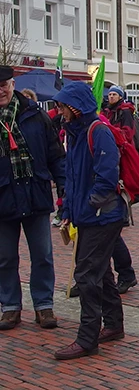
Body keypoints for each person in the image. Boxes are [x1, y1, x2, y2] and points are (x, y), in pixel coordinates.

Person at [52, 82, 128, 360]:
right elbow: (72, 177)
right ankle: (114, 324)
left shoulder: (98, 130)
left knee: (86, 274)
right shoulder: (73, 133)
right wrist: (68, 210)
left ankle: (87, 338)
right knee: (100, 271)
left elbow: (106, 176)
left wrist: (89, 205)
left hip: (103, 216)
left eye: (62, 106)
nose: (59, 110)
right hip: (88, 215)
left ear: (75, 107)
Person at [0, 66, 66, 332]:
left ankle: (43, 305)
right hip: (3, 197)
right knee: (4, 258)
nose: (0, 91)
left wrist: (64, 187)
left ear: (13, 84)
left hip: (35, 193)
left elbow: (55, 155)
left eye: (4, 85)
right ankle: (10, 307)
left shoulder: (35, 114)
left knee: (42, 255)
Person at [99, 85, 138, 295]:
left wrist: (108, 129)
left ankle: (126, 274)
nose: (111, 96)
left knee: (111, 234)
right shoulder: (104, 113)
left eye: (114, 93)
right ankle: (88, 276)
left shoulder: (124, 112)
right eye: (109, 94)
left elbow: (127, 135)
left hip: (115, 176)